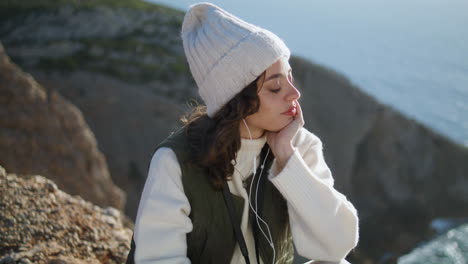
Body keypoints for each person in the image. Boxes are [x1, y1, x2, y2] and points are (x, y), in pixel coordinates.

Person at [128, 2, 359, 264]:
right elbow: (158, 259)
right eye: (275, 88)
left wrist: (287, 157)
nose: (295, 94)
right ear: (238, 101)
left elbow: (338, 245)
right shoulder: (175, 162)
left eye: (290, 78)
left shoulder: (300, 146)